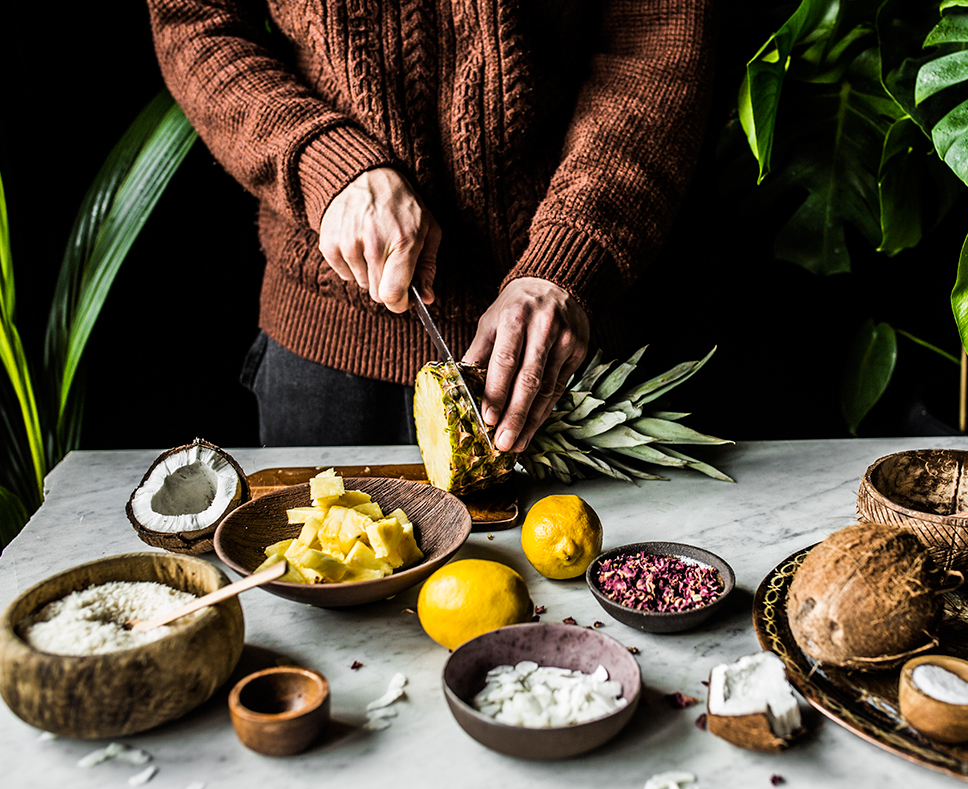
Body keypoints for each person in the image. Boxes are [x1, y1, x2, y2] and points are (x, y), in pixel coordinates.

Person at [145, 0, 713, 452]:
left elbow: (659, 38)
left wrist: (569, 256)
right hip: (331, 355)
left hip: (561, 344)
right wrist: (326, 161)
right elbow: (194, 21)